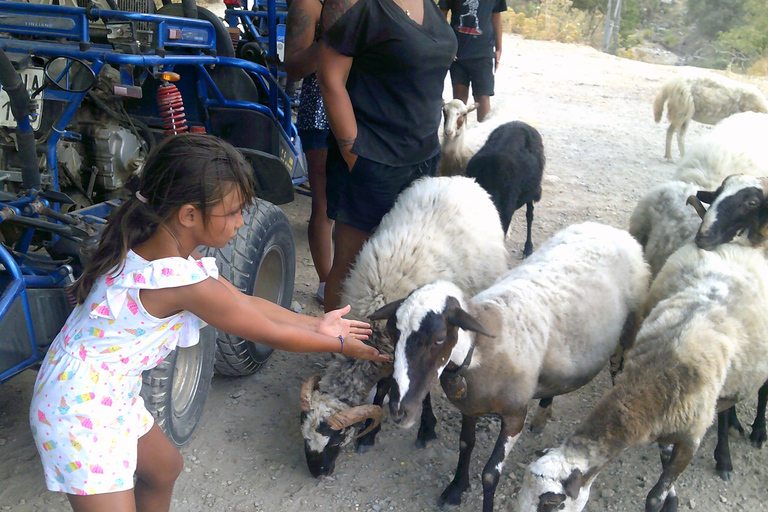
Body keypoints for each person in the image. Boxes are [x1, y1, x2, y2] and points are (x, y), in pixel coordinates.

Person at [28, 134, 386, 512]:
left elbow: (243, 302)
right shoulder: (181, 282)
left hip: (99, 386)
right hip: (79, 407)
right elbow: (270, 333)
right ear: (188, 215)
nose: (240, 222)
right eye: (232, 212)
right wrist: (339, 344)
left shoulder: (161, 244)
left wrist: (315, 325)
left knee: (165, 469)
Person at [317, 0, 458, 312]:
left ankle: (386, 336)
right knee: (351, 264)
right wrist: (352, 151)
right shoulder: (370, 9)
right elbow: (329, 76)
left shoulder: (429, 6)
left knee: (404, 261)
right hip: (374, 161)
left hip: (423, 159)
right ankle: (336, 338)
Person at [285, 0, 333, 304]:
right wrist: (333, 39)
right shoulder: (310, 3)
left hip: (365, 110)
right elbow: (293, 68)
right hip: (321, 113)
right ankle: (327, 285)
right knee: (325, 202)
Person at [439, 0, 506, 121]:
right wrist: (446, 43)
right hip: (458, 52)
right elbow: (441, 15)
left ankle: (483, 132)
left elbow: (496, 16)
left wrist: (499, 48)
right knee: (459, 100)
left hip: (483, 53)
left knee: (483, 97)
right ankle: (457, 132)